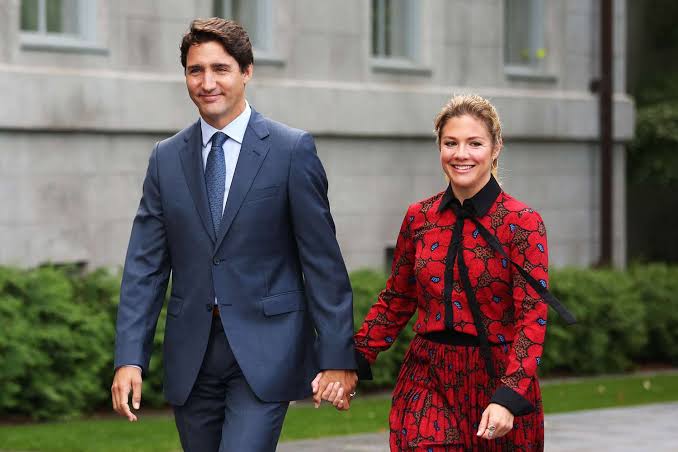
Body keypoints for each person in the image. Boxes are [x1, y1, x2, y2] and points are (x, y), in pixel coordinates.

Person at [111, 18, 357, 451]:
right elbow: (145, 267)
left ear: (246, 72)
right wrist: (130, 356)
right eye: (195, 70)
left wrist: (336, 357)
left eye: (220, 69)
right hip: (192, 356)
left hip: (266, 352)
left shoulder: (291, 150)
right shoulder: (165, 159)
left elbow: (322, 263)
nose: (207, 82)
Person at [338, 95, 574, 450]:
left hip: (497, 376)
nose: (461, 154)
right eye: (451, 143)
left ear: (496, 148)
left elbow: (532, 319)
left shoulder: (521, 223)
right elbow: (397, 299)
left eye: (474, 143)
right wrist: (352, 361)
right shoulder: (420, 217)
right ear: (440, 147)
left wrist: (509, 395)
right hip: (428, 373)